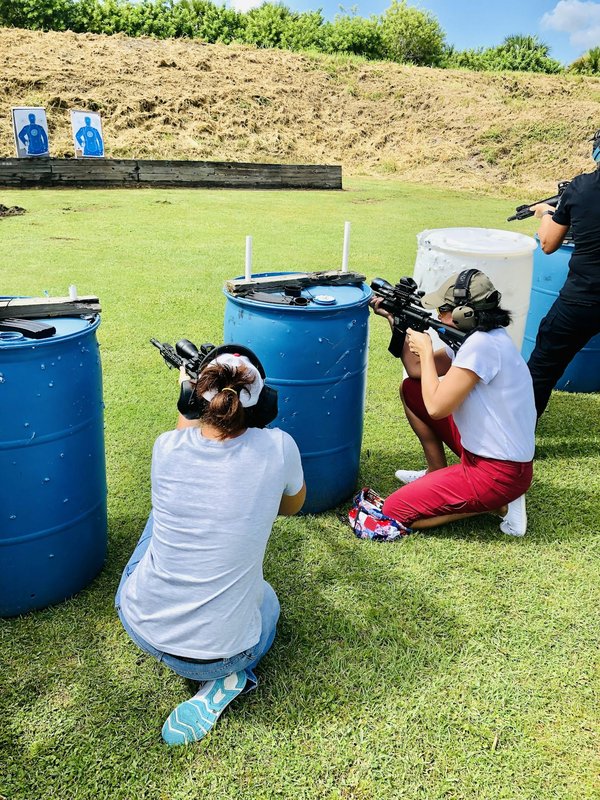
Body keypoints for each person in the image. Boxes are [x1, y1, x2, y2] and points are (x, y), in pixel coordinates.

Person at [115, 348, 305, 746]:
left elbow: (192, 436)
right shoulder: (280, 446)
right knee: (266, 601)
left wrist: (188, 389)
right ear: (264, 403)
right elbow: (292, 506)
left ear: (193, 397)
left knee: (160, 516)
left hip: (143, 627)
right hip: (226, 651)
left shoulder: (165, 446)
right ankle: (230, 677)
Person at [370, 269, 536, 537]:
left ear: (464, 314)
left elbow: (436, 407)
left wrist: (425, 350)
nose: (438, 316)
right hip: (487, 454)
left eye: (444, 309)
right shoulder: (480, 337)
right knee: (412, 389)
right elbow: (416, 372)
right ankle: (437, 471)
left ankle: (500, 504)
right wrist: (397, 322)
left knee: (394, 510)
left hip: (497, 472)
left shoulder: (481, 346)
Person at [527, 130, 600, 418]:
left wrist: (547, 213)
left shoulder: (581, 187)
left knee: (543, 368)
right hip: (583, 298)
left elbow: (548, 244)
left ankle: (517, 441)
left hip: (581, 300)